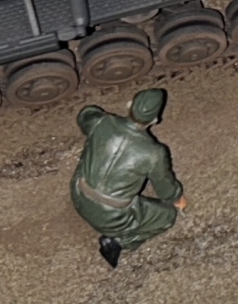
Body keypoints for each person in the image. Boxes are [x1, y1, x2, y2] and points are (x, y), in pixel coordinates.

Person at [69, 87, 181, 267]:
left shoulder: (102, 122)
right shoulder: (154, 152)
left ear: (129, 106)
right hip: (112, 218)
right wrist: (176, 196)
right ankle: (120, 241)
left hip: (78, 195)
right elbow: (164, 190)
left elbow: (85, 114)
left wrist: (103, 116)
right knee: (167, 216)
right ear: (155, 120)